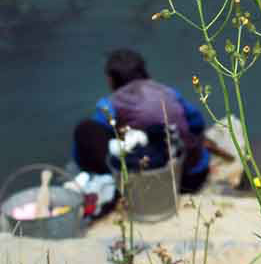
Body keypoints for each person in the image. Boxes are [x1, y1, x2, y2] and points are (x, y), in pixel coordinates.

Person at [72, 49, 210, 193]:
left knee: (85, 130)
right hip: (194, 173)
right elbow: (197, 122)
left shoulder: (111, 104)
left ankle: (93, 178)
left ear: (111, 79)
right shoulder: (168, 91)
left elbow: (93, 138)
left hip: (154, 183)